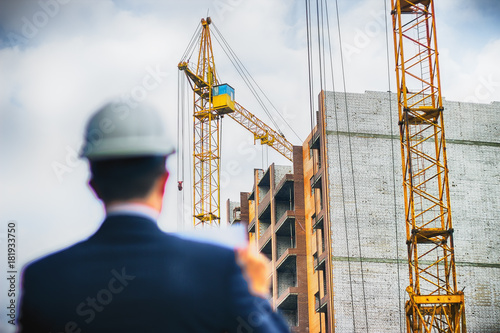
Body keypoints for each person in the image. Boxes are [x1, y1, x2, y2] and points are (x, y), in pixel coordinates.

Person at [18, 102, 289, 333]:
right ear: (164, 180)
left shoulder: (43, 278)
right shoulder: (218, 269)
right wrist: (256, 292)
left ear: (93, 185)